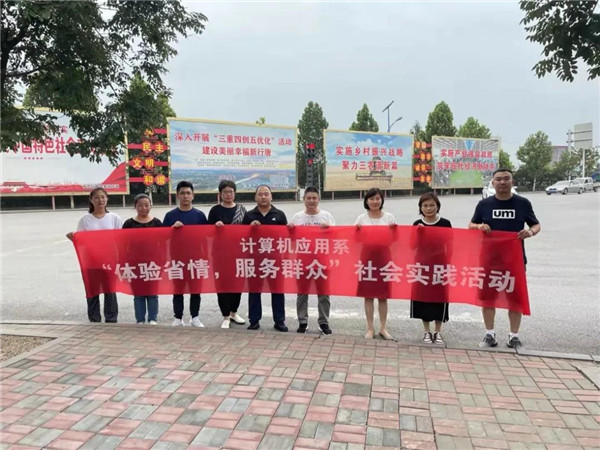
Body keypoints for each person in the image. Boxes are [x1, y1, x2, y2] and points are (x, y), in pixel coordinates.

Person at [469, 168, 540, 349]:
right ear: (492, 183)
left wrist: (530, 232)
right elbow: (471, 224)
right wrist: (479, 226)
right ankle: (489, 334)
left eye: (506, 179)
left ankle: (513, 336)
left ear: (512, 182)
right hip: (489, 259)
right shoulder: (484, 204)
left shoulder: (522, 203)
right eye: (498, 179)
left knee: (514, 298)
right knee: (488, 298)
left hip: (515, 260)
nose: (502, 182)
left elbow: (536, 224)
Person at [66, 187, 123, 323]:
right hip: (91, 261)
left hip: (109, 261)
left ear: (107, 199)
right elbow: (81, 241)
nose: (100, 200)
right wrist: (73, 238)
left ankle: (111, 320)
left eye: (103, 197)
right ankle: (94, 320)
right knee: (92, 291)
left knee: (110, 291)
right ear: (91, 200)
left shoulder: (114, 218)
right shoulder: (85, 219)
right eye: (96, 197)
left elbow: (121, 239)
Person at [288, 186, 335, 335]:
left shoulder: (326, 216)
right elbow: (291, 240)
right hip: (303, 261)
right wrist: (290, 230)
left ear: (319, 199)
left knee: (324, 293)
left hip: (322, 261)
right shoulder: (297, 217)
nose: (311, 201)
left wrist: (329, 229)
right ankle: (302, 322)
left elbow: (336, 238)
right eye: (308, 198)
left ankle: (324, 322)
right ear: (304, 200)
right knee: (302, 293)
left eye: (314, 198)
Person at [242, 185, 288, 332]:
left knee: (277, 290)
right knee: (254, 290)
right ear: (255, 197)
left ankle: (279, 320)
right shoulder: (249, 215)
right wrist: (250, 228)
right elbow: (241, 237)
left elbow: (286, 237)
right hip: (255, 259)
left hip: (275, 259)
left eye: (266, 194)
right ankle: (254, 320)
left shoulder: (279, 215)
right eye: (260, 194)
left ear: (271, 196)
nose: (263, 197)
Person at [163, 181, 208, 327]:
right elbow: (162, 237)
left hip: (196, 258)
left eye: (188, 193)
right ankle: (178, 318)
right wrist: (172, 229)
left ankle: (195, 317)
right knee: (178, 290)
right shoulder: (170, 216)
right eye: (182, 193)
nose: (185, 196)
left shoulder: (200, 215)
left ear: (193, 195)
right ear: (177, 196)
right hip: (177, 259)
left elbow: (206, 237)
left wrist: (206, 256)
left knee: (196, 290)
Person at [354, 187, 396, 340]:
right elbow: (355, 240)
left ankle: (383, 328)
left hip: (384, 258)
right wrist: (357, 231)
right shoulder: (361, 219)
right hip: (367, 258)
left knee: (383, 296)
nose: (375, 201)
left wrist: (393, 231)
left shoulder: (389, 217)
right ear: (366, 201)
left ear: (382, 200)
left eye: (377, 198)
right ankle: (370, 328)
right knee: (368, 295)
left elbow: (395, 240)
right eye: (371, 199)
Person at [410, 192, 451, 345]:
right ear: (420, 208)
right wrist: (418, 233)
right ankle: (426, 331)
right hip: (422, 266)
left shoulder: (445, 223)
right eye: (425, 206)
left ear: (437, 206)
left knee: (439, 298)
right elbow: (412, 246)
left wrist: (449, 264)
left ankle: (438, 331)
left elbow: (451, 245)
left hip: (440, 265)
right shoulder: (417, 224)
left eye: (432, 205)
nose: (428, 208)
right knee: (423, 299)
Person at [208, 180, 247, 329]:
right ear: (220, 194)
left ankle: (233, 312)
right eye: (225, 192)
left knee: (237, 284)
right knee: (222, 284)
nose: (228, 194)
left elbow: (247, 231)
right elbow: (206, 232)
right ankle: (225, 316)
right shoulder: (215, 210)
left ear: (234, 193)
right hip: (220, 254)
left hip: (238, 252)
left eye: (231, 191)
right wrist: (215, 227)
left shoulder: (242, 210)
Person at [122, 193, 162, 325]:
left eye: (146, 205)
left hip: (153, 263)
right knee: (138, 294)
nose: (143, 208)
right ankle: (140, 320)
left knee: (152, 293)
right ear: (135, 207)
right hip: (135, 263)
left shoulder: (157, 223)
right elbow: (123, 243)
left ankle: (152, 319)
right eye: (140, 205)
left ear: (151, 206)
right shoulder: (129, 223)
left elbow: (164, 241)